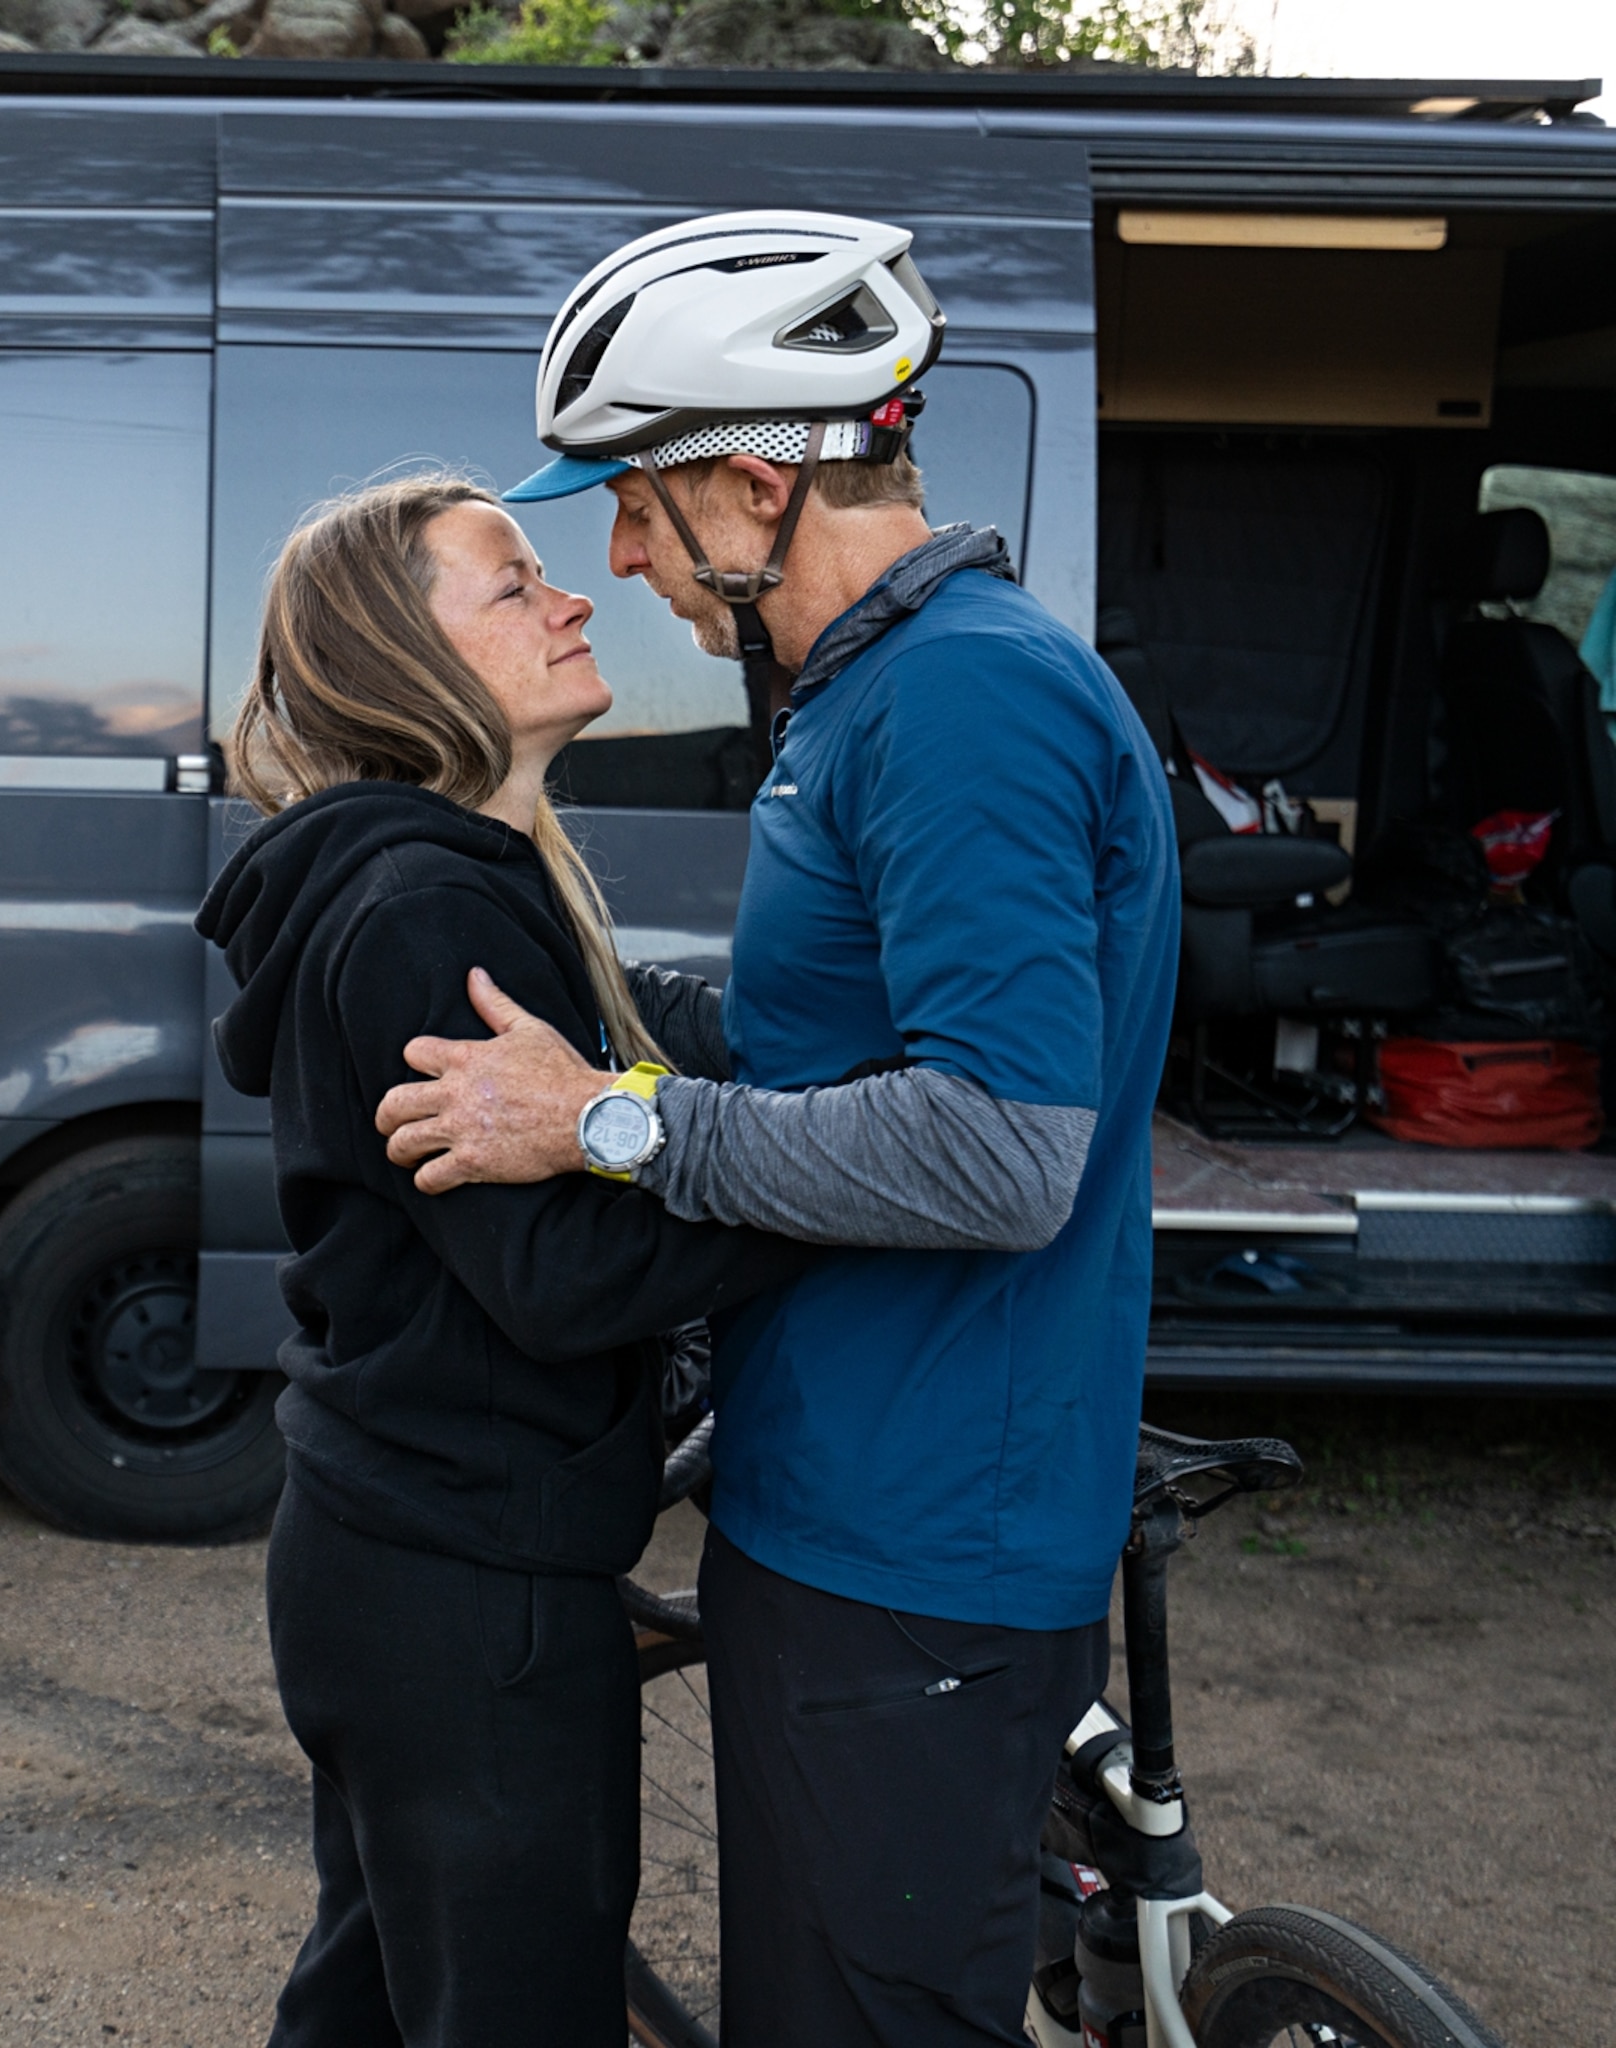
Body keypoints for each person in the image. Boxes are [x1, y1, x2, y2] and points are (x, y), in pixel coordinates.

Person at [372, 212, 1179, 2045]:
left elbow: (995, 1145)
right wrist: (590, 991)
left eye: (635, 503)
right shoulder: (876, 689)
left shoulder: (964, 696)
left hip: (917, 1530)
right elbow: (836, 1038)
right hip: (849, 1491)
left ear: (755, 483)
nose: (618, 555)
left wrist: (614, 1127)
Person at [196, 472, 820, 2047]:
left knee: (369, 2001)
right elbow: (557, 1274)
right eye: (513, 583)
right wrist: (834, 1193)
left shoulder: (458, 878)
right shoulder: (421, 907)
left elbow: (622, 1054)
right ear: (404, 664)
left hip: (391, 1551)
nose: (574, 599)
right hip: (464, 1593)